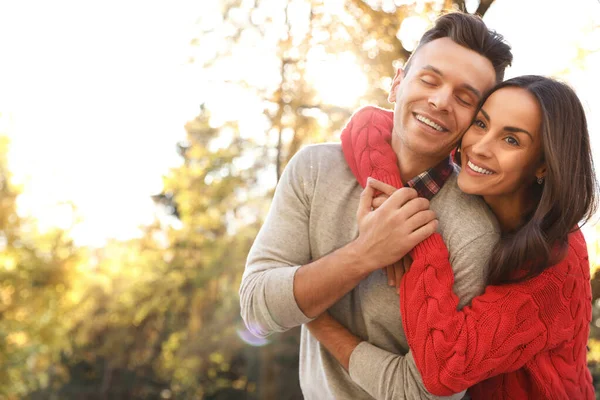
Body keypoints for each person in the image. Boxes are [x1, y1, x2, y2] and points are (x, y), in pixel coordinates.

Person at [240, 12, 512, 399]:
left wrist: (310, 310)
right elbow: (255, 307)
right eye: (429, 80)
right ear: (397, 83)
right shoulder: (315, 169)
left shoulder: (474, 233)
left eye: (465, 98)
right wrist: (364, 255)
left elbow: (424, 392)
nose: (439, 101)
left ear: (475, 123)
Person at [311, 75, 596, 399]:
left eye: (511, 140)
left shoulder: (557, 262)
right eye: (480, 124)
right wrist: (396, 199)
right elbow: (368, 124)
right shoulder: (472, 182)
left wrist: (413, 232)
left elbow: (445, 369)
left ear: (543, 166)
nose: (480, 147)